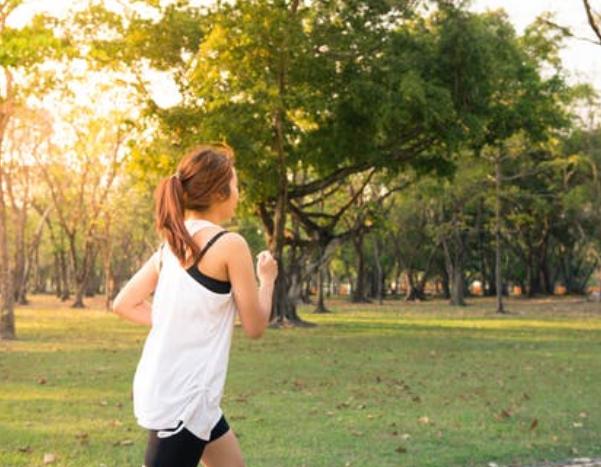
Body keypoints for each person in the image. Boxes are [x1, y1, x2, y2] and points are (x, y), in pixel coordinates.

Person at [112, 144, 278, 467]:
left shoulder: (171, 245)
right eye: (236, 185)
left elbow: (124, 303)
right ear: (219, 192)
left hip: (186, 395)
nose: (238, 193)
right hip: (183, 401)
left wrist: (175, 322)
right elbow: (256, 326)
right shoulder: (230, 245)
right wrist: (267, 279)